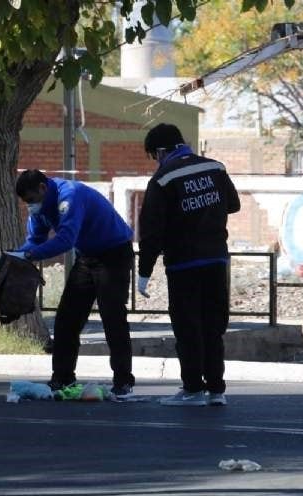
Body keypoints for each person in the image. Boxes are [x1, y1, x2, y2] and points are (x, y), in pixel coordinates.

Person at [137, 124, 240, 406]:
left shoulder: (163, 178)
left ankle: (193, 389)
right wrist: (207, 213)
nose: (154, 161)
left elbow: (151, 231)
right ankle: (216, 390)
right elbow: (233, 205)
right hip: (217, 258)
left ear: (160, 151)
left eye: (153, 156)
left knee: (188, 327)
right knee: (213, 326)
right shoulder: (215, 168)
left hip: (184, 263)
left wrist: (144, 272)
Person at [15, 169, 135, 397]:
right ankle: (62, 378)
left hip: (114, 254)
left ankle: (123, 382)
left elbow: (65, 240)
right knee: (66, 319)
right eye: (26, 203)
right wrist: (15, 255)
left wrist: (31, 256)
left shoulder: (69, 195)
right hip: (87, 257)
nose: (30, 206)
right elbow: (35, 239)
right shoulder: (40, 207)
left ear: (42, 188)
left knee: (113, 318)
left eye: (31, 200)